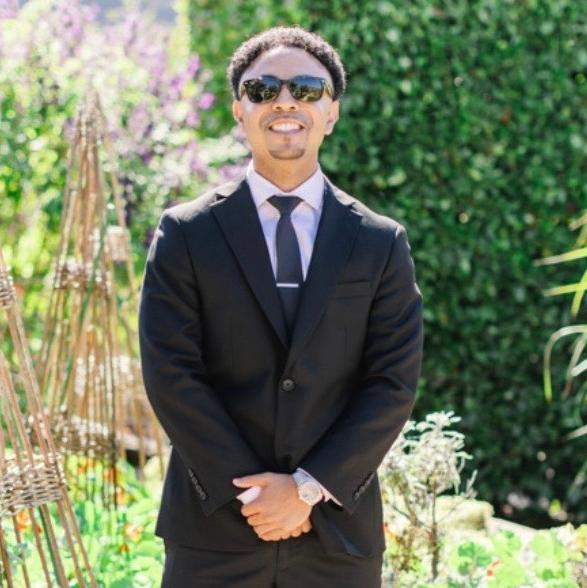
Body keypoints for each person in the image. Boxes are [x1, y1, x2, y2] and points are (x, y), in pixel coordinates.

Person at [138, 25, 424, 588]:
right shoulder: (186, 233)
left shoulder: (379, 241)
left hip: (336, 533)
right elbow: (171, 373)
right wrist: (256, 493)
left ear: (331, 112)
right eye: (263, 89)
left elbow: (392, 382)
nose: (285, 102)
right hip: (213, 530)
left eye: (307, 89)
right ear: (239, 110)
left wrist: (305, 489)